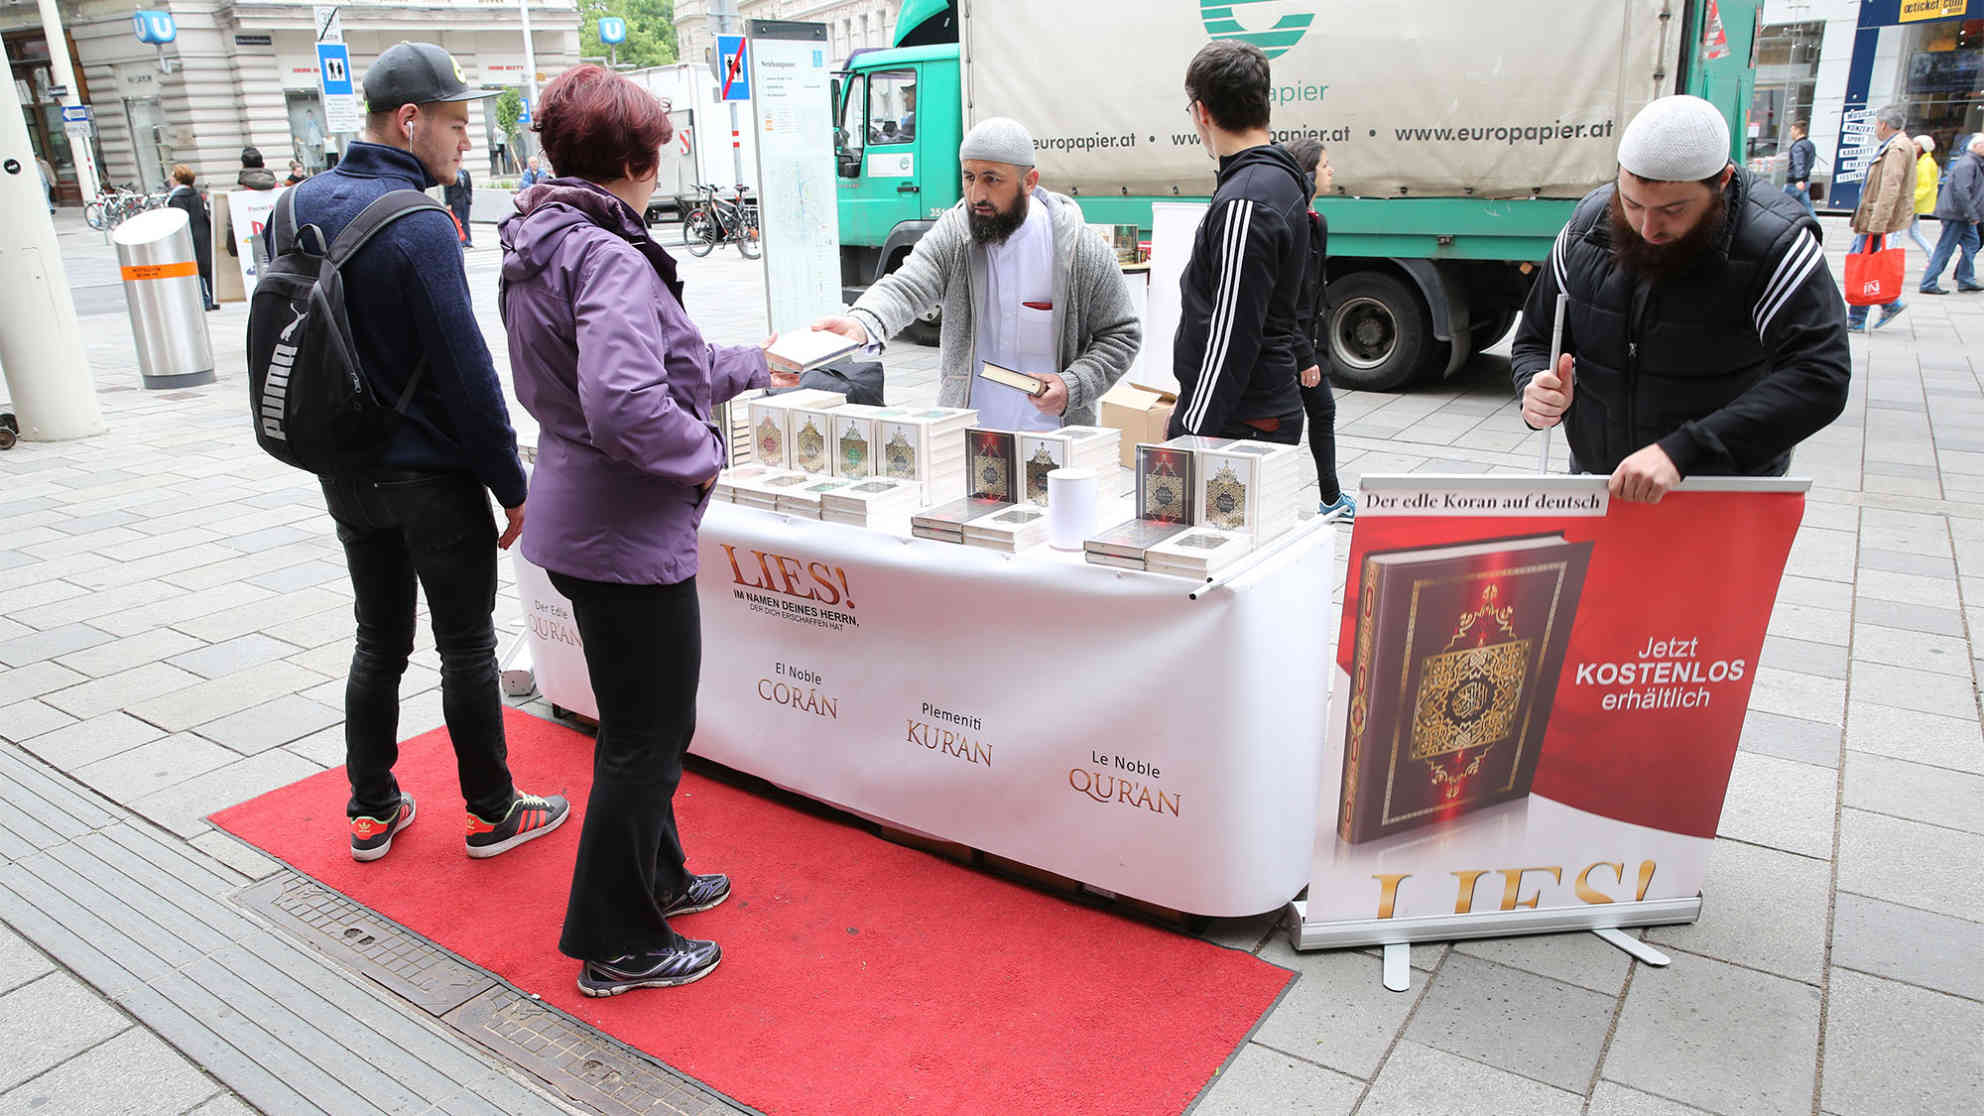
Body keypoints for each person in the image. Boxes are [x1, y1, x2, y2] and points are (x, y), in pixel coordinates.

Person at [499, 64, 799, 997]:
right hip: (623, 534)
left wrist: (761, 363)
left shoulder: (545, 239)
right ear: (632, 154)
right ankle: (614, 937)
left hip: (588, 521)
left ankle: (656, 878)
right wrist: (703, 456)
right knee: (649, 734)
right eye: (660, 145)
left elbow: (666, 362)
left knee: (643, 727)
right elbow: (630, 401)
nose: (666, 160)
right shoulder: (607, 254)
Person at [281, 40, 569, 863]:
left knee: (378, 640)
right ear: (409, 122)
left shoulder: (294, 204)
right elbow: (467, 374)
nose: (464, 143)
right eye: (454, 123)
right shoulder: (419, 224)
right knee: (467, 646)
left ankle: (371, 808)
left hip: (345, 471)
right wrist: (512, 485)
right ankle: (493, 812)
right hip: (432, 482)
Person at [1514, 94, 1850, 503]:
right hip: (1598, 485)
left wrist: (1684, 452)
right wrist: (1536, 389)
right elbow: (1535, 338)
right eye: (1632, 203)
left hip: (1716, 492)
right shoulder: (1588, 225)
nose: (1647, 228)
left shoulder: (1774, 243)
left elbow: (1819, 377)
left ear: (1722, 182)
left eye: (1673, 210)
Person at [811, 117, 1141, 433]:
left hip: (1057, 442)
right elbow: (906, 285)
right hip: (969, 437)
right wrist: (862, 323)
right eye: (969, 177)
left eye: (992, 179)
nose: (976, 194)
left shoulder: (1078, 250)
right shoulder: (955, 234)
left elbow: (1121, 334)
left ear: (1029, 181)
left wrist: (1074, 386)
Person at [1168, 40, 1310, 443]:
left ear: (1202, 111)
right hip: (1257, 410)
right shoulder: (1277, 180)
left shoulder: (1245, 199)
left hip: (1240, 419)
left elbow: (1232, 332)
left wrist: (1190, 427)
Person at [1282, 136, 1353, 520]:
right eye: (1325, 165)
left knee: (1323, 411)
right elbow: (1287, 299)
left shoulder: (1317, 223)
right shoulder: (1292, 224)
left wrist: (1317, 351)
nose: (1331, 171)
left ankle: (1330, 498)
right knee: (1288, 425)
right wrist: (1304, 356)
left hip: (1309, 342)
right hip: (1288, 346)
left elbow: (1314, 293)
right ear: (1309, 171)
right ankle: (1274, 504)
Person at [1846, 106, 1918, 332]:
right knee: (1866, 264)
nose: (1876, 128)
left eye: (1877, 124)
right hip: (1875, 216)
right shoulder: (1899, 145)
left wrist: (1877, 223)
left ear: (1884, 125)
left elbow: (1890, 187)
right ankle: (1885, 305)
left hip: (1876, 218)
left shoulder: (1896, 148)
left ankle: (1860, 317)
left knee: (1863, 265)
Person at [1920, 135, 1984, 295]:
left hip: (1962, 214)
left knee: (1972, 244)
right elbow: (1962, 191)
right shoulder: (1968, 164)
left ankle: (1965, 279)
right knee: (1945, 248)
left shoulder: (1974, 162)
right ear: (1976, 146)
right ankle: (1928, 282)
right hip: (1957, 213)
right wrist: (1972, 214)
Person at [163, 165, 216, 311]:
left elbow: (178, 220)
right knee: (208, 268)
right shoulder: (196, 194)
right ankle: (214, 299)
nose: (170, 179)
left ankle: (203, 301)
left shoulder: (177, 198)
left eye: (172, 176)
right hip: (203, 233)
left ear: (178, 179)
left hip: (189, 235)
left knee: (193, 269)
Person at [1908, 134, 1939, 256]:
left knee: (1894, 232)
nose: (1913, 146)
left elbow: (1925, 186)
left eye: (1916, 144)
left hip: (1913, 203)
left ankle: (1887, 258)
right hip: (1915, 203)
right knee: (1914, 232)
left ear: (1923, 148)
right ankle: (1932, 255)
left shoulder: (1925, 163)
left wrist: (1910, 199)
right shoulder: (1921, 161)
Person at [1784, 120, 1817, 215]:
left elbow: (1798, 163)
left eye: (1792, 130)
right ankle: (1816, 226)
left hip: (1794, 183)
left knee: (1782, 206)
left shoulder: (1798, 146)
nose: (1790, 133)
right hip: (1805, 181)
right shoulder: (1810, 144)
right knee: (1807, 208)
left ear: (1798, 130)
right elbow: (1810, 163)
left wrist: (1799, 179)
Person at [446, 166, 475, 248]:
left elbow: (469, 187)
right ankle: (459, 241)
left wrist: (470, 198)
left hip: (465, 201)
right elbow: (447, 190)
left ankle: (468, 240)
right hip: (455, 202)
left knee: (465, 222)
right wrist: (448, 203)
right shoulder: (451, 173)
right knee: (457, 222)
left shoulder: (465, 173)